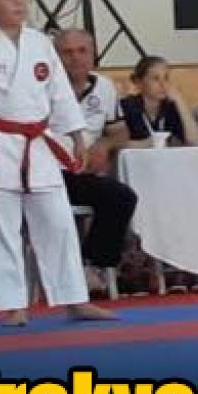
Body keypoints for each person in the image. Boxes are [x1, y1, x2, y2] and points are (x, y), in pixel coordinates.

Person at [0, 0, 116, 326]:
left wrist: (76, 136)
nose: (18, 3)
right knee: (3, 226)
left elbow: (59, 94)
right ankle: (15, 305)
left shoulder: (40, 43)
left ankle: (75, 299)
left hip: (39, 143)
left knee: (58, 222)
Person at [55, 29, 139, 290]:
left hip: (86, 171)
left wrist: (104, 145)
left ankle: (93, 265)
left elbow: (120, 132)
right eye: (67, 52)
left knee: (122, 196)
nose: (75, 58)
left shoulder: (104, 87)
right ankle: (74, 269)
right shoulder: (43, 88)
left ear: (93, 54)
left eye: (82, 51)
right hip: (50, 171)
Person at [120, 56, 198, 147]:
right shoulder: (126, 106)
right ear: (139, 82)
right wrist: (150, 143)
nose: (163, 84)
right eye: (155, 79)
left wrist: (180, 101)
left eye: (166, 78)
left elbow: (196, 142)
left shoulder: (171, 107)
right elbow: (116, 144)